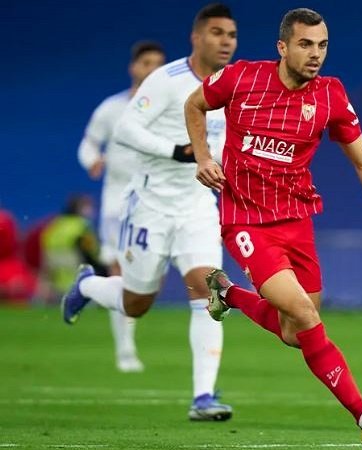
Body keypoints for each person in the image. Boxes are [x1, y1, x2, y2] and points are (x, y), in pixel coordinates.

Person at [184, 8, 362, 429]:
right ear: (283, 47)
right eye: (306, 44)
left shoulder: (330, 94)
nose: (316, 54)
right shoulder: (242, 78)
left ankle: (228, 293)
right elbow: (195, 103)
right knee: (308, 320)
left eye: (322, 45)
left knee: (296, 332)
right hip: (246, 221)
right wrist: (203, 156)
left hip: (297, 220)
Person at [62, 3, 238, 421]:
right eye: (216, 33)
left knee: (210, 291)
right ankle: (88, 286)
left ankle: (203, 397)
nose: (226, 41)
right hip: (150, 206)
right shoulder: (167, 80)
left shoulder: (236, 84)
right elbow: (125, 130)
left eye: (231, 34)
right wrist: (177, 151)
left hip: (197, 206)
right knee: (137, 303)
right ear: (196, 38)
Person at [77, 40, 166, 373]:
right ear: (134, 67)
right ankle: (126, 350)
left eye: (159, 63)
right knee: (122, 270)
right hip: (118, 201)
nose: (152, 69)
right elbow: (88, 142)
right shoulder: (112, 108)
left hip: (157, 200)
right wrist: (92, 161)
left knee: (148, 280)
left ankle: (89, 286)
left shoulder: (171, 107)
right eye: (146, 63)